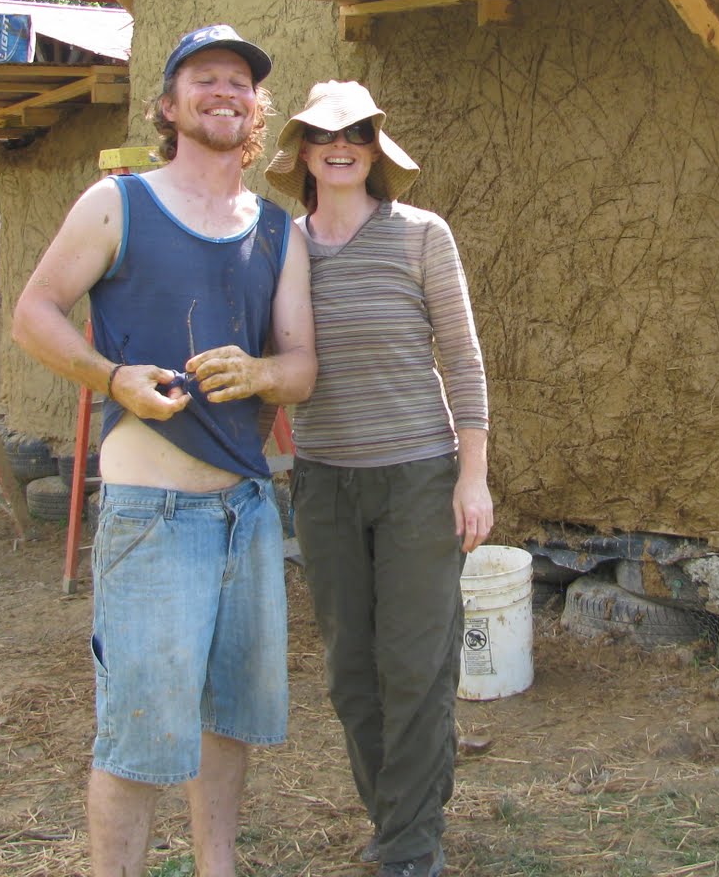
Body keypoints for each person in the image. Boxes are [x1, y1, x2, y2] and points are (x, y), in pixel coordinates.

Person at [11, 25, 315, 877]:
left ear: (256, 110)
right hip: (151, 519)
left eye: (241, 83)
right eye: (206, 78)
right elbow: (34, 314)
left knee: (228, 722)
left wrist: (259, 372)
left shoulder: (277, 231)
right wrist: (112, 379)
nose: (226, 91)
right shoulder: (119, 203)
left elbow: (303, 367)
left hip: (245, 515)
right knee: (140, 736)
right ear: (173, 104)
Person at [264, 80, 490, 877]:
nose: (342, 145)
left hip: (419, 479)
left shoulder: (422, 235)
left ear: (375, 149)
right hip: (324, 482)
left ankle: (408, 847)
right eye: (326, 134)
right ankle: (399, 816)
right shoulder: (281, 244)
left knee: (416, 664)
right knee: (352, 673)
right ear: (300, 151)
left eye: (358, 132)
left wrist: (473, 477)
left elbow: (461, 359)